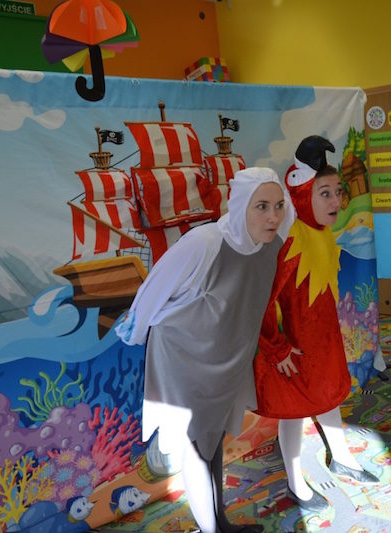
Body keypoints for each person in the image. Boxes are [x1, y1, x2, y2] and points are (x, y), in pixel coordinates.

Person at [115, 167, 294, 533]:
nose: (273, 216)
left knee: (211, 441)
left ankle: (219, 521)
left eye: (278, 206)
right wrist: (135, 330)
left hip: (227, 359)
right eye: (261, 206)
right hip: (185, 359)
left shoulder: (272, 243)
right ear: (241, 205)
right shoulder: (206, 242)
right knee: (195, 446)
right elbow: (156, 286)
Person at [253, 136, 379, 512]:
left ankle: (340, 455)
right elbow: (261, 301)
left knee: (327, 396)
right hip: (293, 350)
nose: (336, 201)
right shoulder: (288, 243)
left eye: (337, 192)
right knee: (294, 413)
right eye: (325, 193)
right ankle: (296, 481)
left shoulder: (322, 235)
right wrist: (277, 349)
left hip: (322, 340)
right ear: (303, 194)